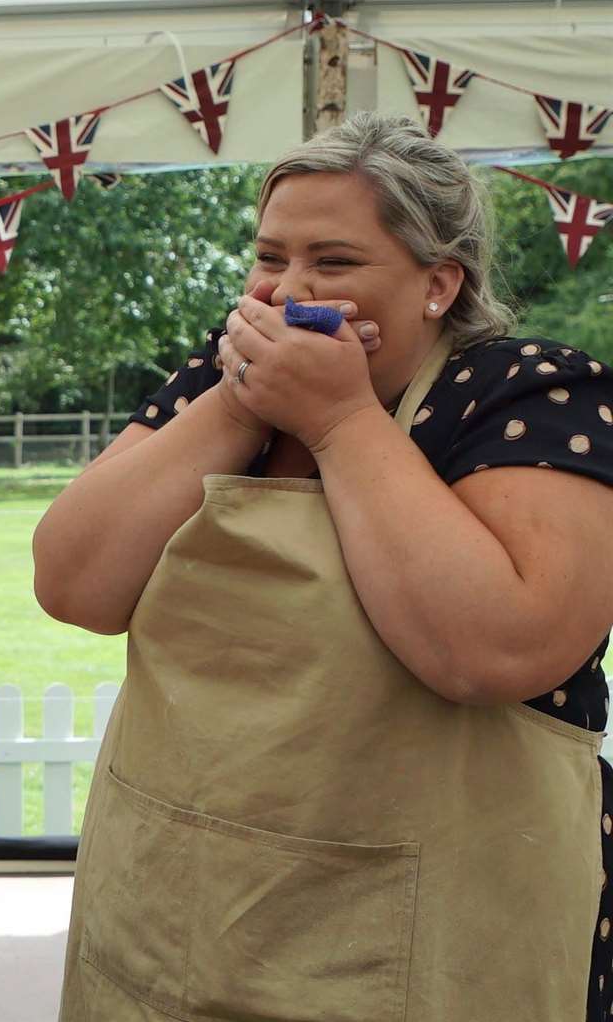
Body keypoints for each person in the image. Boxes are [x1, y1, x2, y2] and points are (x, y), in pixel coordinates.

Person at [34, 112, 613, 1020]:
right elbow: (72, 583)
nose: (291, 288)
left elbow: (500, 650)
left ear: (438, 283)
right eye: (271, 258)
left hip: (428, 930)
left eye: (334, 263)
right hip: (175, 898)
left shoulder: (529, 393)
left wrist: (340, 421)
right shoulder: (217, 381)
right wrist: (238, 408)